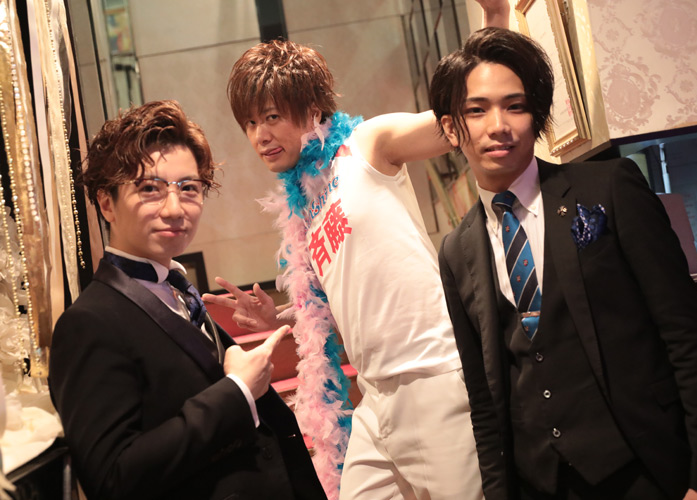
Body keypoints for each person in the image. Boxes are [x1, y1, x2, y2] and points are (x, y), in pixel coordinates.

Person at [205, 3, 510, 498]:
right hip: (374, 397)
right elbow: (342, 301)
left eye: (273, 117)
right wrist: (277, 318)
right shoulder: (303, 208)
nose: (260, 135)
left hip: (433, 377)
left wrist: (495, 20)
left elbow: (459, 121)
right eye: (250, 122)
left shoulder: (367, 146)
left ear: (312, 108)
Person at [431, 27, 697, 500]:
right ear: (452, 128)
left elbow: (686, 336)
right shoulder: (457, 251)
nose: (499, 125)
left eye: (515, 106)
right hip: (541, 483)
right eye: (477, 110)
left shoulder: (609, 187)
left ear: (536, 116)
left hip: (646, 469)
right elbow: (485, 399)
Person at [49, 100, 327, 500]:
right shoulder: (88, 322)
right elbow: (111, 479)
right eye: (150, 189)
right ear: (107, 203)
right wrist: (237, 393)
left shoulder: (177, 286)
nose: (175, 208)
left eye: (189, 189)